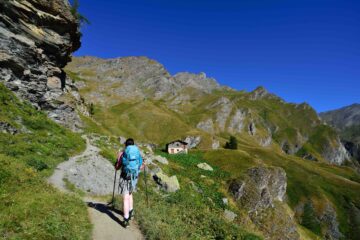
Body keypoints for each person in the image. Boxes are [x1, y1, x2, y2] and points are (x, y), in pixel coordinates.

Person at [115, 138, 143, 227]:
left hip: (125, 177)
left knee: (125, 197)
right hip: (134, 177)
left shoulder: (123, 153)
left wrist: (118, 158)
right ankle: (131, 212)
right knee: (130, 194)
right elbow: (141, 165)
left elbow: (117, 167)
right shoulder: (137, 152)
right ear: (133, 145)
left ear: (126, 145)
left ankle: (126, 219)